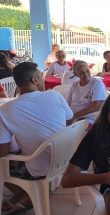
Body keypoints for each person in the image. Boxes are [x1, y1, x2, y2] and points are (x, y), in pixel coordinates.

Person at [0, 62, 73, 214]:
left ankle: (23, 194)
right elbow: (69, 121)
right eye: (41, 76)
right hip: (65, 159)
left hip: (38, 169)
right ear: (34, 80)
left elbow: (3, 151)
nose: (43, 79)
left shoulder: (5, 110)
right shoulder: (55, 95)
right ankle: (26, 195)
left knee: (4, 162)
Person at [66, 60, 106, 126]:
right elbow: (66, 104)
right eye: (81, 73)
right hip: (72, 118)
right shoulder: (74, 85)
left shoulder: (96, 83)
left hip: (86, 120)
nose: (86, 74)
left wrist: (73, 117)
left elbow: (95, 107)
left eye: (87, 71)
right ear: (75, 74)